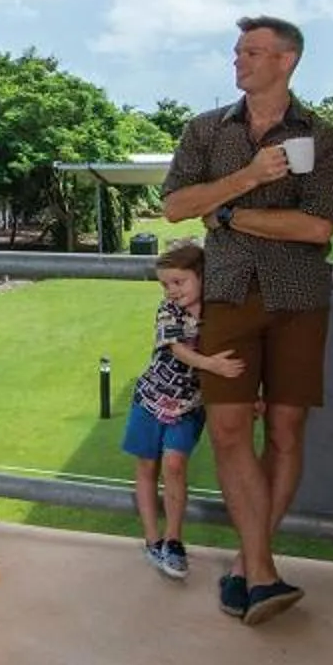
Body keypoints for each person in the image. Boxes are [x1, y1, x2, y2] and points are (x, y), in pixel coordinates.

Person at [155, 17, 333, 626]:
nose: (238, 60)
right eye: (238, 51)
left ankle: (248, 564)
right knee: (232, 430)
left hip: (298, 296)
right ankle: (261, 573)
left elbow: (317, 227)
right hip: (231, 295)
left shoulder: (324, 137)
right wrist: (251, 178)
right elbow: (175, 207)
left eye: (253, 51)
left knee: (286, 433)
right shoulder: (206, 131)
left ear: (286, 61)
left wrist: (230, 216)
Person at [121, 239, 241, 579]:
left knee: (174, 464)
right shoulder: (168, 310)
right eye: (165, 284)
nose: (171, 290)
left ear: (202, 277)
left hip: (189, 407)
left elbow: (236, 355)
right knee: (146, 465)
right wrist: (211, 365)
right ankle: (152, 539)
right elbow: (176, 349)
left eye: (179, 282)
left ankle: (173, 540)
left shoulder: (218, 312)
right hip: (150, 399)